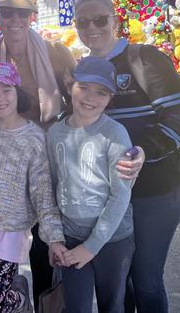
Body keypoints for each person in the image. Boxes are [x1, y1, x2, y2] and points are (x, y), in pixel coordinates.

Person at [0, 0, 145, 310]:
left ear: (31, 17)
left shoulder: (55, 52)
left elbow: (90, 92)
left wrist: (131, 150)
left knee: (56, 256)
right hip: (16, 163)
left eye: (21, 13)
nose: (14, 20)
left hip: (57, 152)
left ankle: (53, 301)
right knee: (28, 243)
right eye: (6, 13)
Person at [73, 0, 180, 313]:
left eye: (99, 20)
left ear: (114, 20)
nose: (92, 28)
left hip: (155, 191)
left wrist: (142, 152)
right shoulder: (83, 69)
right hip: (112, 196)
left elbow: (179, 120)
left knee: (145, 280)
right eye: (82, 22)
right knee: (120, 279)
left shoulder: (144, 58)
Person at [0, 62, 66, 313]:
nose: (0, 98)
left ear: (17, 92)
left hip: (11, 232)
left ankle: (20, 298)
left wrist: (54, 237)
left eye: (6, 90)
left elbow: (43, 193)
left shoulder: (34, 138)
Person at [47, 57, 136, 313]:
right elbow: (52, 188)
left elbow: (120, 195)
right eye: (83, 87)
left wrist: (92, 246)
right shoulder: (54, 134)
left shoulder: (115, 134)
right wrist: (55, 239)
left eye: (101, 92)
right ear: (70, 85)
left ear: (110, 98)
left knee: (112, 305)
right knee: (75, 307)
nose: (90, 97)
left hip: (112, 240)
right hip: (71, 238)